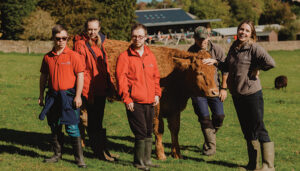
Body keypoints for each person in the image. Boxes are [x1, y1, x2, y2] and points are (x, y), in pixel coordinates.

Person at [221, 20, 276, 171]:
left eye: (246, 31)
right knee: (247, 130)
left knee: (258, 127)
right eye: (241, 29)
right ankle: (253, 165)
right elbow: (227, 65)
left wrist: (256, 67)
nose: (243, 32)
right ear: (237, 31)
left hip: (252, 94)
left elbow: (271, 63)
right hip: (238, 95)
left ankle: (268, 166)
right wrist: (214, 61)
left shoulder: (254, 48)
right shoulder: (234, 47)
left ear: (251, 34)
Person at [38, 25, 86, 168]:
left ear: (67, 38)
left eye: (64, 38)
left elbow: (80, 76)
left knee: (72, 127)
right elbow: (43, 77)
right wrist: (41, 95)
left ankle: (79, 158)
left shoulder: (74, 56)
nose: (61, 41)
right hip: (53, 96)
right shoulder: (47, 57)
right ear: (53, 39)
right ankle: (57, 154)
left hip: (69, 97)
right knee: (54, 125)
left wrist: (78, 96)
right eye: (58, 38)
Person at [116, 24, 161, 171]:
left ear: (146, 37)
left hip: (150, 100)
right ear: (131, 36)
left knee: (149, 130)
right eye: (135, 36)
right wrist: (127, 99)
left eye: (140, 36)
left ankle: (147, 160)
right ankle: (138, 161)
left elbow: (155, 77)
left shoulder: (150, 55)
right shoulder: (124, 57)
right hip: (134, 102)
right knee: (140, 131)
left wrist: (156, 94)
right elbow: (121, 80)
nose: (137, 39)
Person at [73, 18, 117, 161]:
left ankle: (103, 149)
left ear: (99, 29)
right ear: (86, 29)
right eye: (89, 29)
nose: (92, 32)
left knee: (98, 121)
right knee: (94, 121)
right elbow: (82, 71)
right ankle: (99, 152)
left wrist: (109, 87)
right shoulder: (81, 45)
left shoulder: (99, 43)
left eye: (95, 29)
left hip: (100, 89)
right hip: (90, 90)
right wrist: (87, 92)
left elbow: (104, 67)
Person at [188, 26, 228, 156]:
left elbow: (225, 70)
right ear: (194, 39)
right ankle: (211, 147)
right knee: (204, 118)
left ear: (208, 37)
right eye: (199, 39)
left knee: (219, 116)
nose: (203, 42)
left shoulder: (217, 50)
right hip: (197, 92)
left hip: (214, 88)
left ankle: (209, 137)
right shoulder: (191, 51)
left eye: (205, 39)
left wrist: (223, 88)